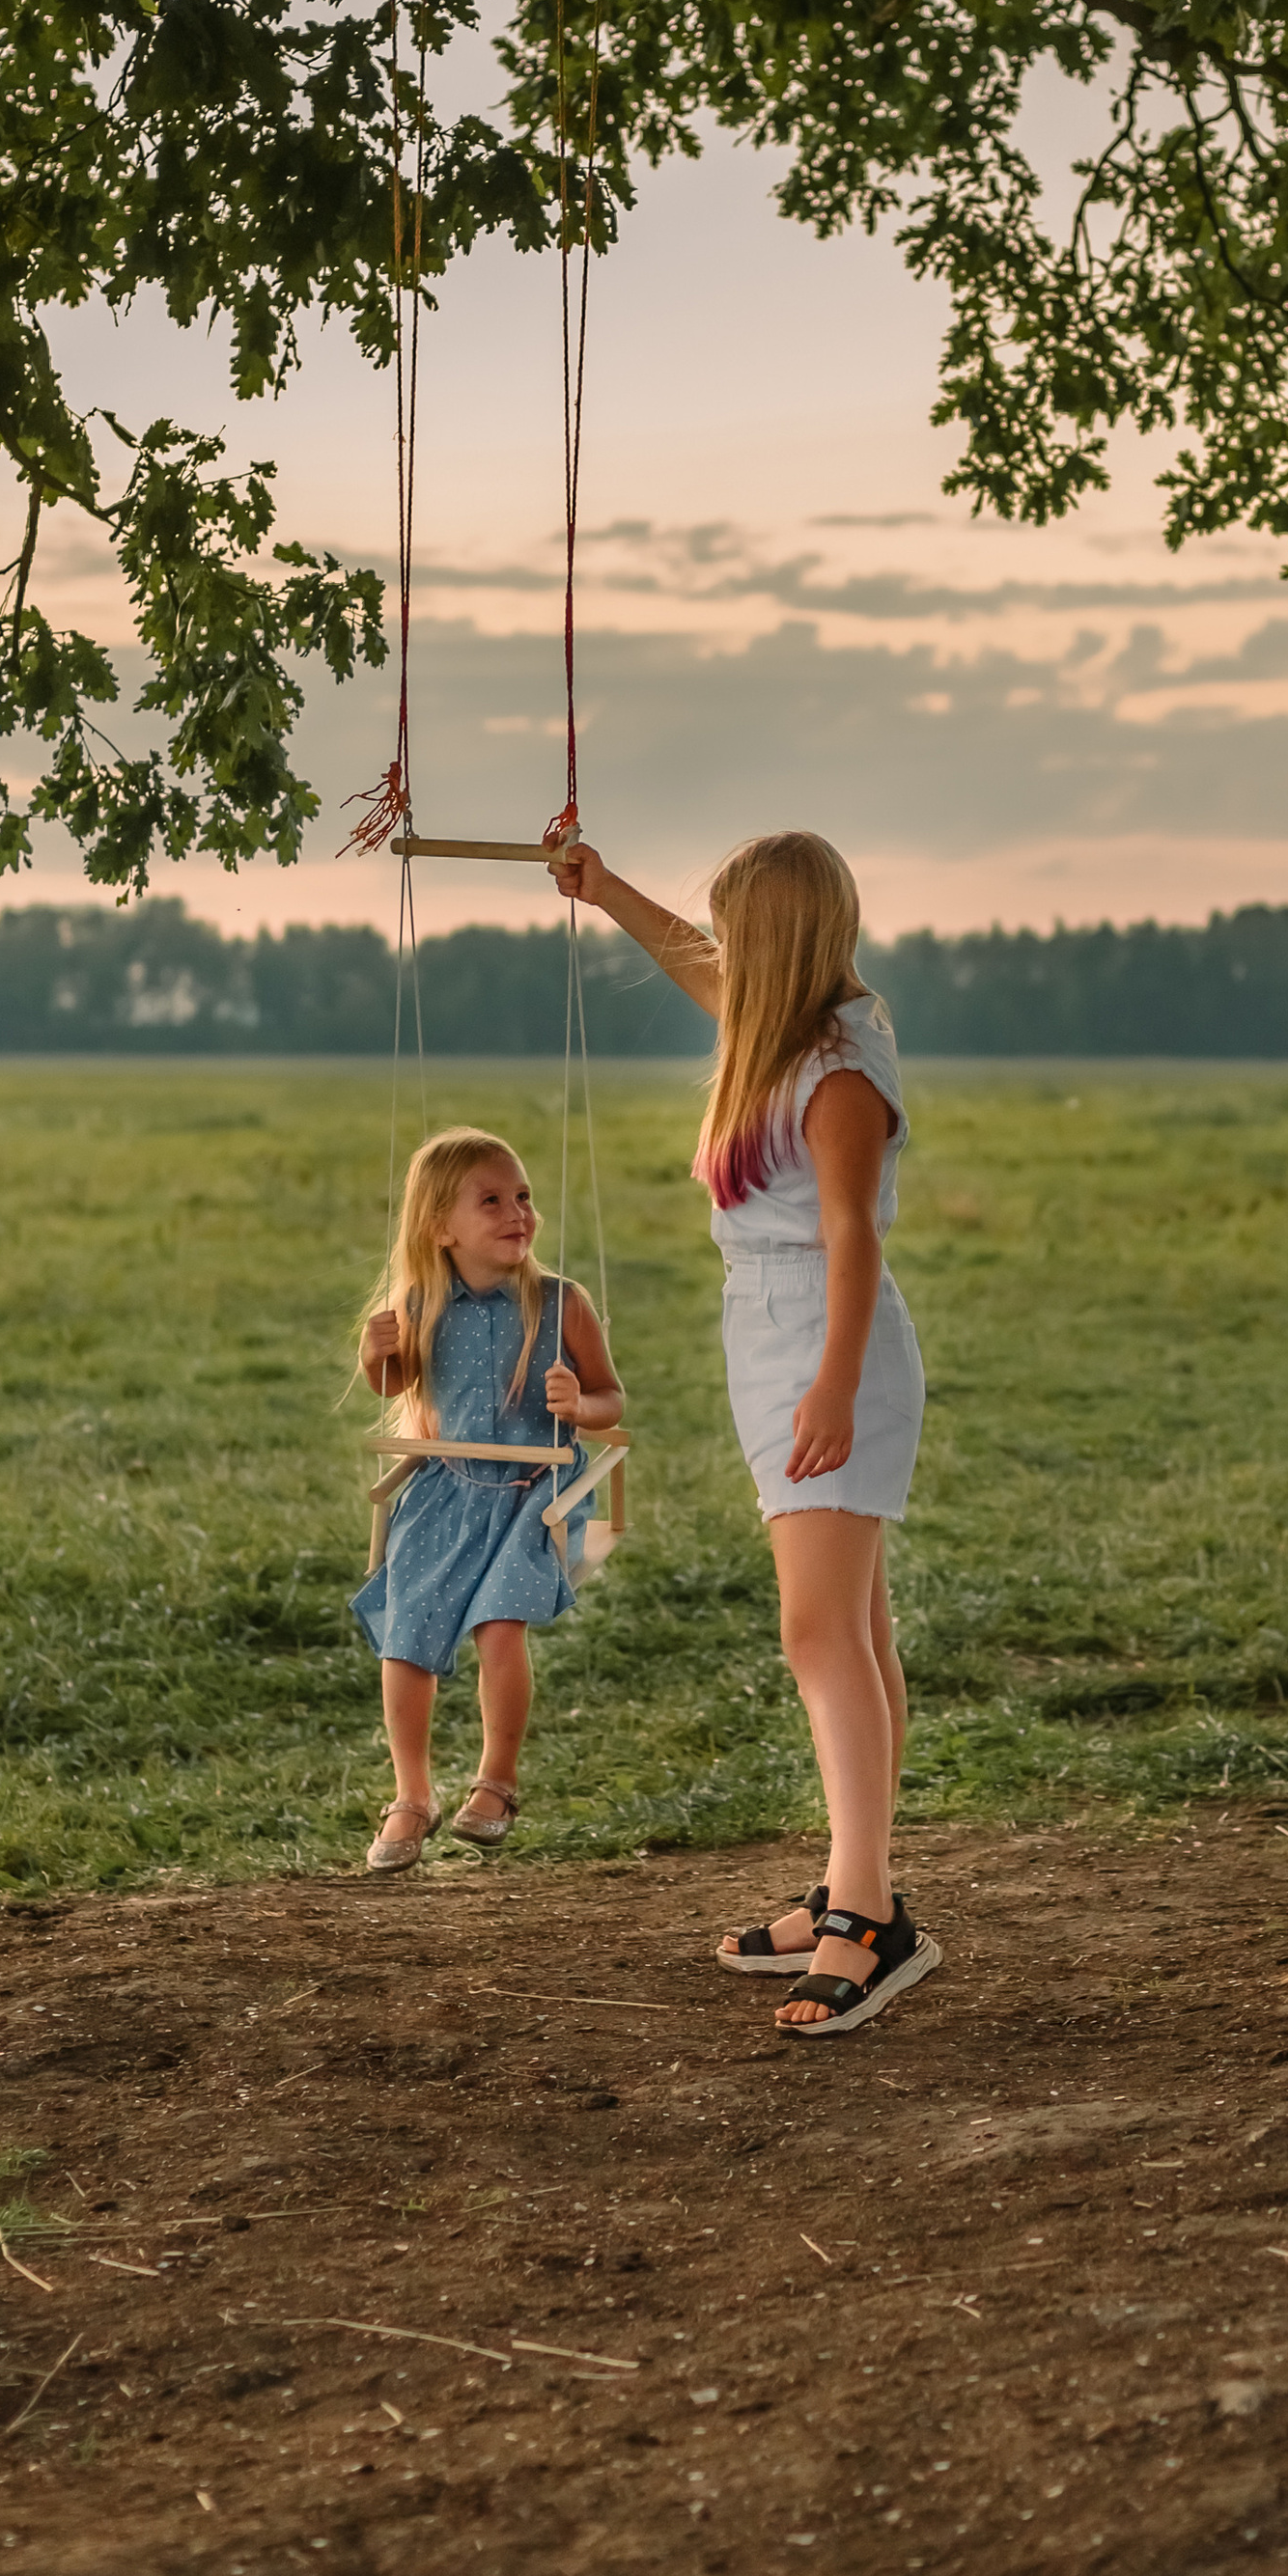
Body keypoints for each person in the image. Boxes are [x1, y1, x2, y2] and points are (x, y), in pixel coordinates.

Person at [549, 827, 938, 2037]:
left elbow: (853, 1237)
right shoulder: (781, 1026)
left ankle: (866, 1922)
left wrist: (829, 1386)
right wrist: (602, 887)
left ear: (775, 939)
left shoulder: (834, 1072)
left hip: (830, 1346)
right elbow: (694, 964)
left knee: (819, 1633)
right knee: (855, 1635)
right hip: (774, 1337)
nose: (718, 947)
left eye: (736, 925)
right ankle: (854, 1885)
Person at [349, 1124, 621, 1870]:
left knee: (501, 1627)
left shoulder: (562, 1303)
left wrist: (580, 1405)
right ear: (441, 1228)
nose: (518, 1214)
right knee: (409, 1636)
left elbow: (611, 1397)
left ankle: (496, 1783)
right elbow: (395, 1386)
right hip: (447, 1489)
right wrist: (377, 1357)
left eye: (524, 1197)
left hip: (536, 1493)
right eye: (492, 1200)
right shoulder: (420, 1303)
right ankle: (412, 1794)